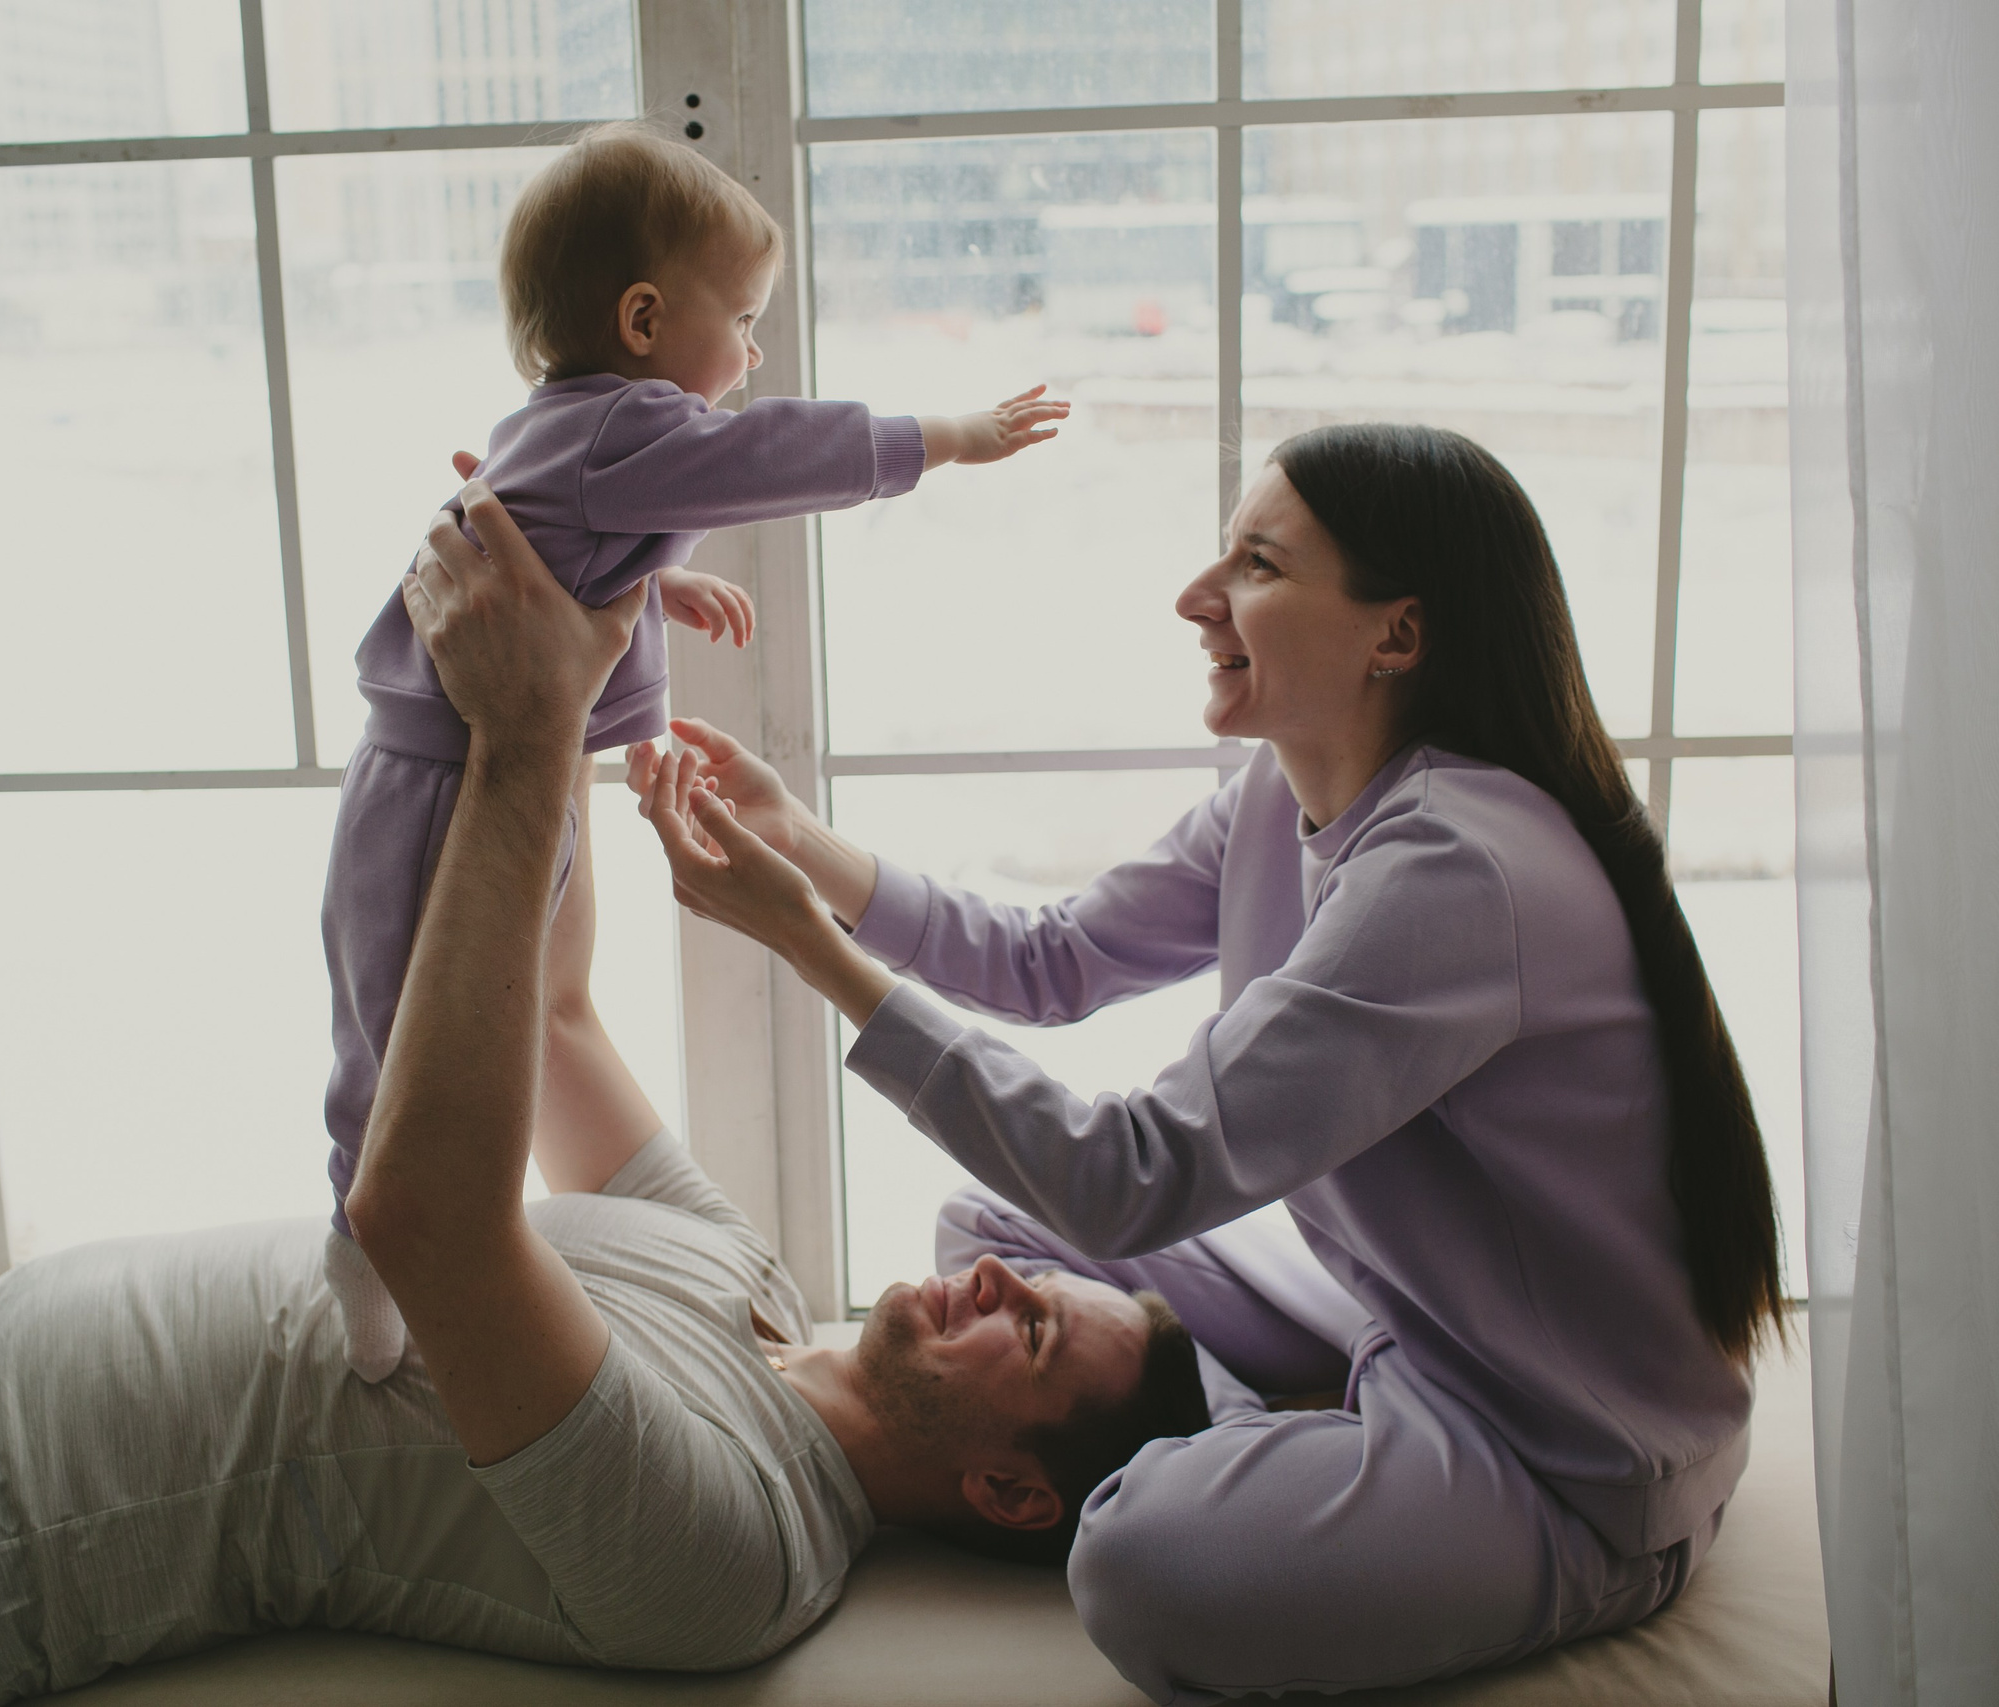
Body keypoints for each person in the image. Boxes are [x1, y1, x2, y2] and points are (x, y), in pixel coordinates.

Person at [0, 488, 1208, 1707]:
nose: (995, 1275)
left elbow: (425, 1221)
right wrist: (600, 637)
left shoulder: (738, 1544)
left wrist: (527, 728)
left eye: (1032, 1329)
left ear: (1010, 1488)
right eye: (1034, 1275)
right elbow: (556, 1014)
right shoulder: (751, 1277)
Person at [629, 422, 1788, 1701]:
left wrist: (804, 941)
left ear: (1396, 634)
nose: (1196, 595)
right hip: (1399, 1321)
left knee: (1138, 1563)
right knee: (988, 1221)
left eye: (1257, 566)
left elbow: (1129, 1177)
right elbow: (1052, 957)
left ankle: (1251, 1437)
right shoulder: (1283, 796)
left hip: (1557, 1450)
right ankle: (1261, 1422)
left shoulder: (1456, 870)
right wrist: (800, 841)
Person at [320, 120, 1067, 1382]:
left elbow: (560, 542)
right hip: (432, 784)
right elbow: (767, 455)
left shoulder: (570, 428)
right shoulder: (626, 425)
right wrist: (944, 437)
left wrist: (661, 585)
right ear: (644, 318)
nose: (754, 354)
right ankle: (357, 1234)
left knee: (508, 1014)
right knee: (391, 1022)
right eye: (745, 318)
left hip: (482, 770)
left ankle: (387, 1223)